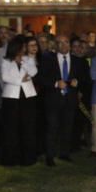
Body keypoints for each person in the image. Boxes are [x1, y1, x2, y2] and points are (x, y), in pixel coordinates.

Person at [37, 34, 85, 165]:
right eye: (60, 43)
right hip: (53, 99)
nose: (64, 45)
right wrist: (55, 84)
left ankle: (65, 153)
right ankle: (50, 156)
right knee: (52, 128)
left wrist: (77, 82)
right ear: (55, 45)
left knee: (67, 127)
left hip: (69, 99)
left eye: (66, 42)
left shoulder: (77, 60)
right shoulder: (47, 59)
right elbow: (40, 78)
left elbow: (85, 79)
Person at [0, 36, 38, 166]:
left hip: (27, 96)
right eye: (23, 47)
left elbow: (33, 71)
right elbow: (5, 77)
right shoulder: (6, 61)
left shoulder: (28, 59)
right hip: (11, 97)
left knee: (27, 127)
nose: (25, 49)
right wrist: (20, 80)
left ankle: (27, 158)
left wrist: (24, 63)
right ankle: (11, 158)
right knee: (11, 128)